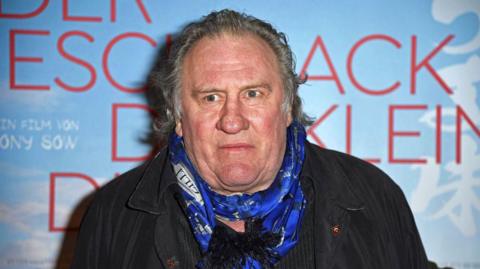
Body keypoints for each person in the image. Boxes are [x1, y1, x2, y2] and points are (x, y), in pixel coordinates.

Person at [71, 9, 428, 269]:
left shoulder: (372, 198)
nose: (232, 120)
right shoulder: (115, 215)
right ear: (179, 117)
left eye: (253, 94)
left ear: (287, 107)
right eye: (210, 97)